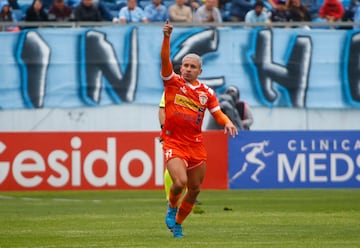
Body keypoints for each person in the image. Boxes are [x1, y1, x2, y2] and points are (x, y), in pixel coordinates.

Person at [161, 20, 238, 238]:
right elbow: (164, 60)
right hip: (173, 141)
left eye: (192, 67)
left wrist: (228, 122)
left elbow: (217, 112)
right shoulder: (172, 82)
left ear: (200, 70)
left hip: (195, 144)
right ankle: (172, 205)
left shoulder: (206, 92)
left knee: (194, 190)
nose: (187, 69)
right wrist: (166, 37)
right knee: (179, 182)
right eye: (185, 65)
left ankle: (178, 224)